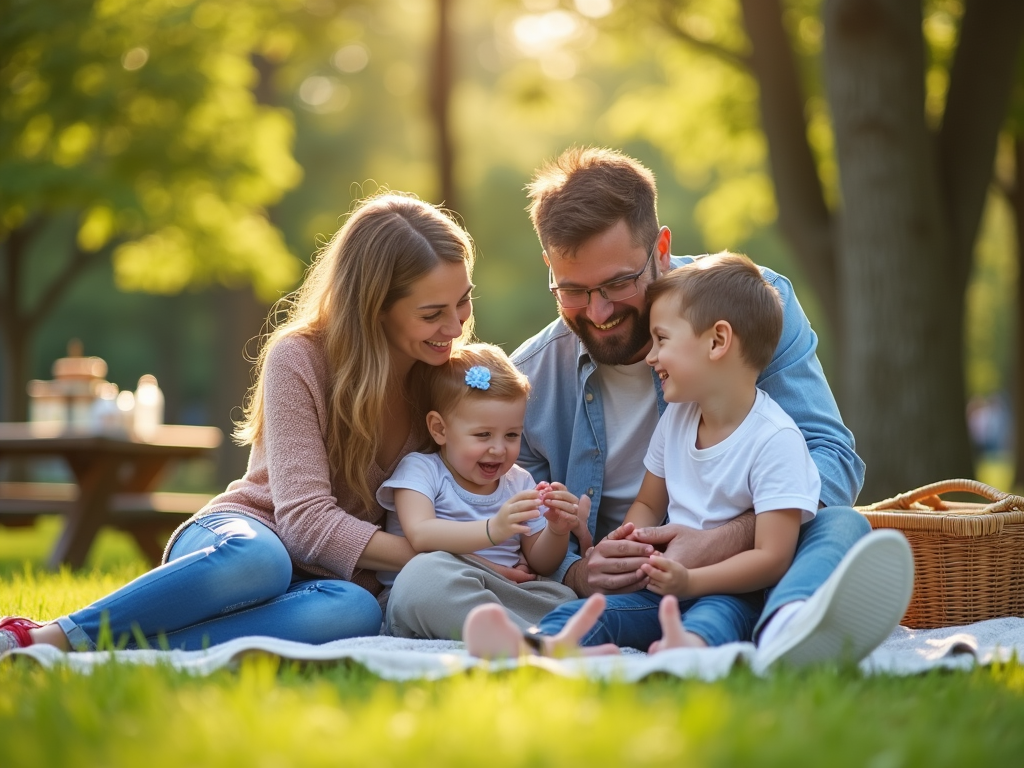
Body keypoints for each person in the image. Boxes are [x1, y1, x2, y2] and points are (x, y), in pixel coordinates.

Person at [392, 146, 914, 669]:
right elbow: (527, 525)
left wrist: (718, 543)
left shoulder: (753, 305)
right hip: (623, 589)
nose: (597, 312)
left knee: (840, 525)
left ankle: (788, 625)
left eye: (618, 283)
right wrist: (580, 568)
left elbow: (831, 456)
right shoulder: (533, 377)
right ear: (549, 268)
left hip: (754, 559)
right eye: (572, 290)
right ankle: (542, 645)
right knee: (430, 581)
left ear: (660, 250)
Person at [0, 192, 478, 654]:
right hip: (245, 536)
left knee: (355, 611)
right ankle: (54, 636)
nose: (455, 328)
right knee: (261, 561)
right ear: (374, 308)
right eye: (433, 313)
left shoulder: (444, 384)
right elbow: (306, 521)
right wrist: (439, 559)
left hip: (335, 579)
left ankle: (119, 648)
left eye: (463, 302)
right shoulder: (301, 357)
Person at [465, 253, 907, 659]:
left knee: (715, 616)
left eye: (661, 340)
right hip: (666, 584)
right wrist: (624, 543)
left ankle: (775, 630)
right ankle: (543, 644)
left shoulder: (776, 440)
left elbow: (771, 558)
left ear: (717, 342)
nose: (650, 356)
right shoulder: (676, 420)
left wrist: (693, 581)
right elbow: (649, 503)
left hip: (733, 588)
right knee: (601, 609)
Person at [375, 343, 590, 638]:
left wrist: (556, 529)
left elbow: (542, 562)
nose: (499, 449)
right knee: (422, 577)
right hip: (438, 589)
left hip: (502, 594)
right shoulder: (421, 470)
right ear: (439, 429)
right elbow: (421, 534)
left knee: (561, 596)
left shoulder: (519, 481)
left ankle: (525, 634)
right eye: (483, 434)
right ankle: (530, 639)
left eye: (512, 435)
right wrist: (493, 529)